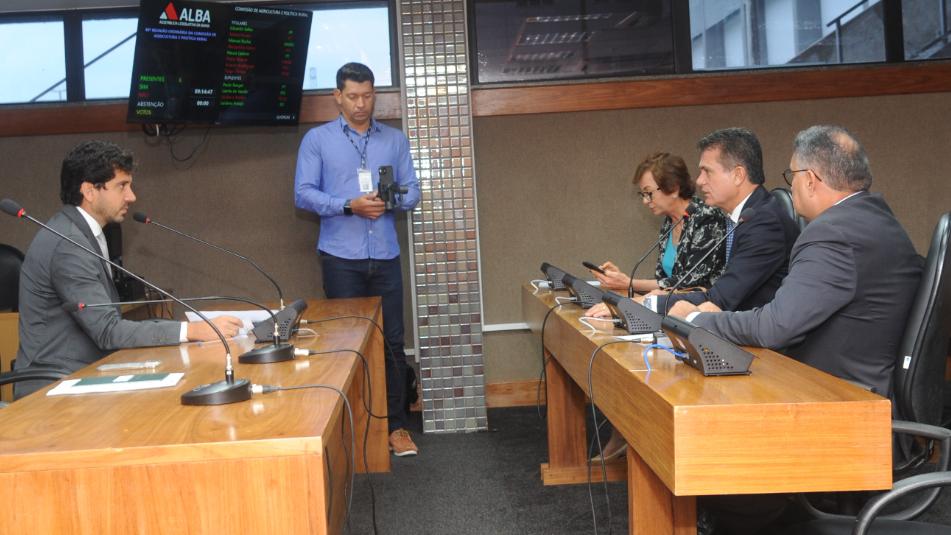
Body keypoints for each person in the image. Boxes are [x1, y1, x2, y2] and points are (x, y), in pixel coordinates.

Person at [680, 125, 924, 534]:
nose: (789, 187)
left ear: (811, 179)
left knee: (710, 454)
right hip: (863, 395)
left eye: (790, 175)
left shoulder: (833, 233)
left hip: (841, 410)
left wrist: (696, 321)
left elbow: (775, 326)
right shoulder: (878, 219)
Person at [14, 140, 244, 399]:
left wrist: (186, 330)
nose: (131, 196)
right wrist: (191, 331)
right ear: (89, 191)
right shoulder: (68, 243)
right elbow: (107, 331)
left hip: (83, 376)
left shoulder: (80, 232)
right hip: (51, 389)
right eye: (121, 186)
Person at [294, 62, 421, 456]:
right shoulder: (318, 140)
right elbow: (303, 193)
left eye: (367, 96)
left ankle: (396, 427)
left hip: (385, 255)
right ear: (338, 96)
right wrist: (349, 205)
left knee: (393, 343)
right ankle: (355, 429)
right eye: (352, 96)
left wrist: (390, 200)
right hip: (341, 258)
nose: (361, 104)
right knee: (346, 344)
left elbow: (413, 191)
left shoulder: (394, 140)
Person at [658, 128, 800, 316]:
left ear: (738, 175)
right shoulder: (741, 217)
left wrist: (650, 304)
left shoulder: (766, 224)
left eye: (707, 172)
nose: (699, 181)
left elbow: (720, 299)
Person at [586, 151, 728, 298]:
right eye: (643, 194)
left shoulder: (708, 218)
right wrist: (620, 282)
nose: (645, 201)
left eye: (649, 193)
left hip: (703, 308)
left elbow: (689, 283)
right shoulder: (669, 222)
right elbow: (662, 283)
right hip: (671, 306)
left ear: (674, 188)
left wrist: (629, 283)